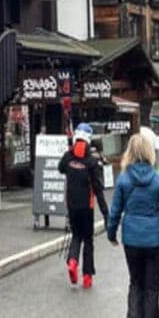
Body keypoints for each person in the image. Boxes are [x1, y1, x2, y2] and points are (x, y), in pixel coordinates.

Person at [107, 127, 159, 318]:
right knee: (152, 289)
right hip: (154, 240)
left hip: (132, 240)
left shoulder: (124, 179)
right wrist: (156, 215)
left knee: (135, 282)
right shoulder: (157, 180)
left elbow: (115, 210)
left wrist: (111, 232)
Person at [59, 123, 109, 289]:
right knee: (88, 240)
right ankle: (87, 276)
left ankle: (72, 262)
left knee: (76, 236)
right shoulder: (91, 162)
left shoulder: (68, 157)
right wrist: (106, 214)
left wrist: (69, 155)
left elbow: (60, 168)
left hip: (71, 204)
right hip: (87, 207)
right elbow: (98, 190)